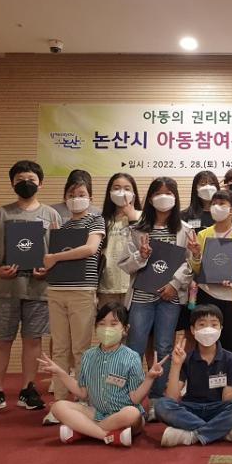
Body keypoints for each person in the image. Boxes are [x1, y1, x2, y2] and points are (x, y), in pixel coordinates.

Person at [0, 160, 60, 415]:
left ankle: (28, 389)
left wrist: (49, 268)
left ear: (40, 183)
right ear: (12, 183)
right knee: (1, 340)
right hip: (6, 288)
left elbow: (59, 251)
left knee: (33, 340)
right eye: (20, 179)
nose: (26, 183)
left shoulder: (51, 215)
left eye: (31, 179)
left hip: (38, 289)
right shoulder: (1, 213)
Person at [117, 177, 195, 421]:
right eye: (159, 193)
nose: (164, 197)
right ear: (150, 198)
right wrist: (141, 256)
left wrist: (174, 284)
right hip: (141, 297)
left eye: (169, 192)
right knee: (135, 347)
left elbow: (190, 264)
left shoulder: (184, 229)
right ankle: (129, 398)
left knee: (164, 346)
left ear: (176, 197)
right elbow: (125, 264)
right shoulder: (137, 229)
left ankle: (158, 400)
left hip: (170, 298)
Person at [38, 303, 161, 447]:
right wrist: (60, 372)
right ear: (96, 328)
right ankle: (107, 436)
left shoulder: (132, 357)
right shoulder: (88, 356)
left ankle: (84, 430)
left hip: (122, 415)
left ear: (125, 329)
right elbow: (82, 393)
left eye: (113, 324)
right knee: (58, 407)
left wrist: (149, 378)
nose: (107, 329)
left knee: (132, 413)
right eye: (102, 324)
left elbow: (135, 398)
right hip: (96, 413)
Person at [42, 174, 106, 424]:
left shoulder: (96, 219)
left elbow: (90, 249)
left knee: (81, 350)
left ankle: (82, 402)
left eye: (82, 194)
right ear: (65, 198)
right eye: (71, 195)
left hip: (82, 290)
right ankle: (59, 403)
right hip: (56, 290)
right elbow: (47, 258)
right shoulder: (62, 227)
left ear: (90, 197)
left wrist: (55, 257)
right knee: (59, 349)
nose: (76, 199)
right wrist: (44, 263)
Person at [156, 304, 232, 446]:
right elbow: (172, 397)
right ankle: (220, 431)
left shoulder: (230, 358)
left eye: (214, 325)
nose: (208, 329)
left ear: (221, 328)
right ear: (193, 330)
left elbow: (226, 398)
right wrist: (176, 365)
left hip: (218, 409)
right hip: (191, 409)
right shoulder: (187, 358)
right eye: (202, 325)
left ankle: (192, 435)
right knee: (161, 405)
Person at [189, 189, 232, 375]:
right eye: (214, 204)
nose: (216, 207)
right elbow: (196, 269)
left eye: (222, 204)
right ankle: (203, 380)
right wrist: (196, 255)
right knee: (206, 339)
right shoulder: (203, 235)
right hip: (207, 295)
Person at [98, 172, 142, 308]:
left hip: (134, 285)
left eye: (127, 188)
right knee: (108, 321)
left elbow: (144, 245)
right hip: (107, 285)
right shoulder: (102, 219)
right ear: (110, 193)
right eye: (116, 188)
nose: (121, 192)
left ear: (134, 194)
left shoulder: (142, 217)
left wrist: (132, 218)